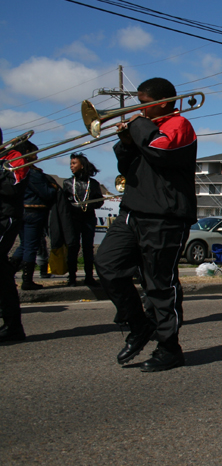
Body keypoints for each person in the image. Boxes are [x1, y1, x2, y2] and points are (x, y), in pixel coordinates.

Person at [95, 77, 197, 372]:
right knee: (107, 265)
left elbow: (160, 151)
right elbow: (128, 168)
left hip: (165, 217)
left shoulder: (179, 124)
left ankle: (169, 348)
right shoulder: (146, 127)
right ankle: (139, 325)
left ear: (162, 103)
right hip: (132, 211)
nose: (139, 110)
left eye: (143, 104)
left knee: (159, 284)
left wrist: (138, 126)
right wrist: (126, 143)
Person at [10, 146, 58, 291]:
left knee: (24, 245)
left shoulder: (16, 170)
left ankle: (8, 273)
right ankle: (27, 280)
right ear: (27, 153)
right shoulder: (32, 172)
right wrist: (53, 187)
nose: (36, 156)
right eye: (34, 153)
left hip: (22, 210)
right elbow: (46, 193)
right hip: (34, 212)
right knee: (31, 246)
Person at [0, 129, 30, 343]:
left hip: (5, 216)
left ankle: (12, 326)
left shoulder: (14, 156)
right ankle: (12, 326)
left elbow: (13, 187)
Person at [63, 152, 103, 287]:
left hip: (88, 218)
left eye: (74, 163)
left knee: (88, 247)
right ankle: (72, 277)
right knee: (73, 246)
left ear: (82, 165)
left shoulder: (93, 183)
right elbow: (64, 202)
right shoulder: (68, 183)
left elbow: (100, 201)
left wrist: (88, 205)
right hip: (73, 219)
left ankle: (89, 277)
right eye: (70, 164)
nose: (71, 166)